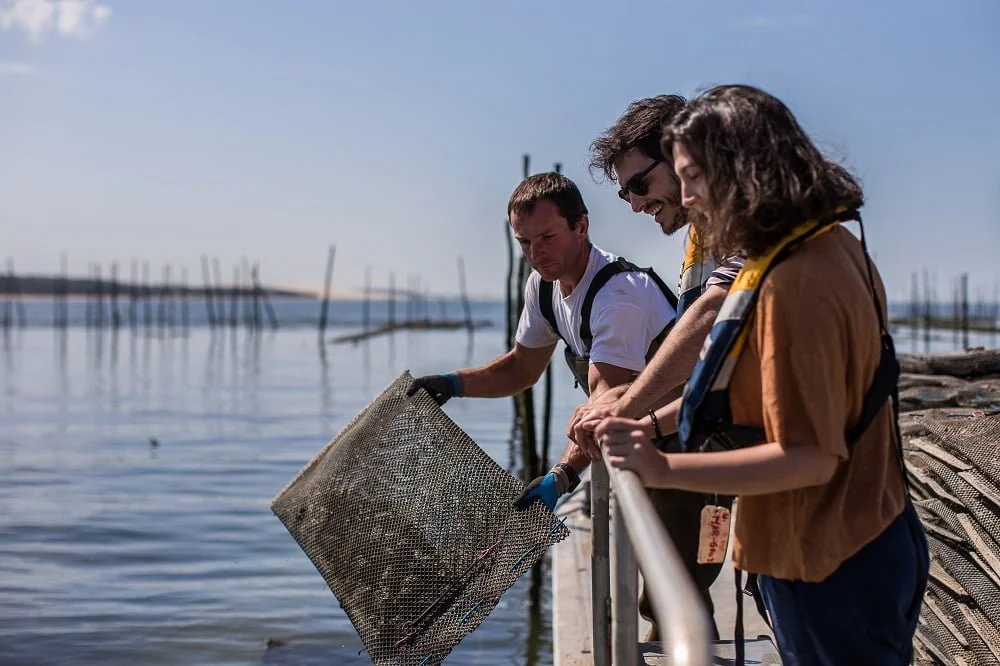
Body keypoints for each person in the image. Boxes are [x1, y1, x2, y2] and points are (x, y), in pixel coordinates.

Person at [594, 84, 929, 666]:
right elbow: (739, 391)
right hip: (820, 549)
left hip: (831, 560)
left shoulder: (799, 278)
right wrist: (653, 422)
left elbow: (808, 455)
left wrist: (661, 464)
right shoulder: (807, 249)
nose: (691, 198)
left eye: (694, 175)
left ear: (744, 168)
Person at [571, 95, 748, 640]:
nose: (631, 204)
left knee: (686, 603)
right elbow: (694, 341)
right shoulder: (702, 234)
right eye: (624, 193)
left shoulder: (743, 227)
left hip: (764, 458)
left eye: (639, 186)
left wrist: (632, 413)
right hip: (705, 439)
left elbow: (708, 329)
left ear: (681, 154)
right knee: (676, 604)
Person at [407, 171, 676, 511]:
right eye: (524, 242)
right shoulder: (543, 286)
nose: (536, 253)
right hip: (636, 442)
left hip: (689, 441)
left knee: (670, 563)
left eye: (548, 237)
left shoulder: (618, 294)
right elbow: (521, 369)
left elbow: (604, 399)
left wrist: (562, 475)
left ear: (581, 226)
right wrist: (451, 384)